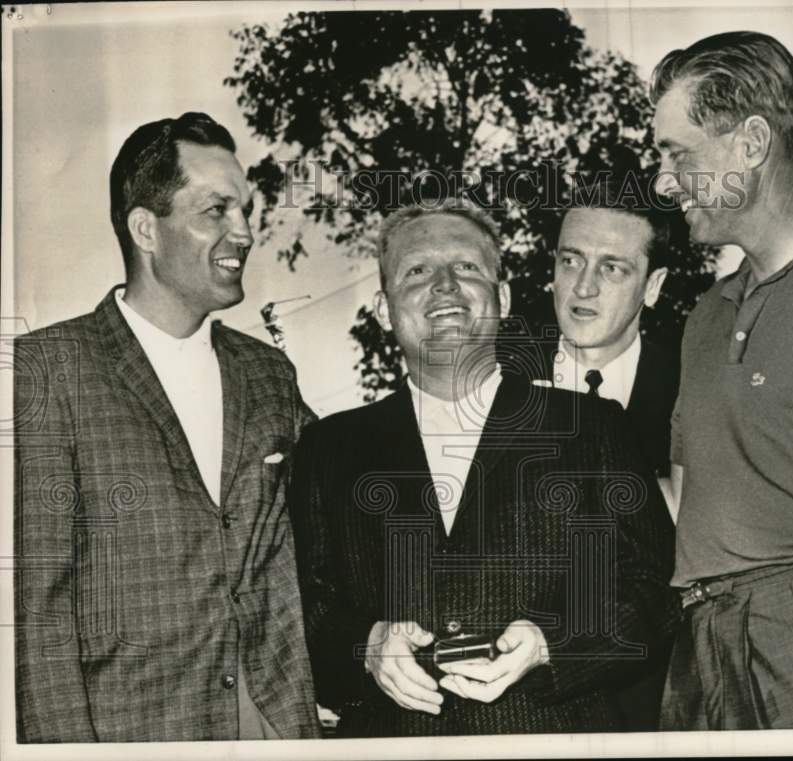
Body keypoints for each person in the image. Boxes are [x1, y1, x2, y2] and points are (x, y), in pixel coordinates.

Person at [287, 199, 679, 736]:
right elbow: (303, 609)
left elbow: (654, 591)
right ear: (384, 309)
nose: (445, 285)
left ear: (504, 297)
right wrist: (368, 647)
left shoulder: (592, 428)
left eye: (467, 267)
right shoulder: (327, 448)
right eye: (418, 270)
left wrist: (549, 643)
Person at [14, 112, 320, 741]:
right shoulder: (47, 370)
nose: (243, 233)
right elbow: (36, 613)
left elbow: (341, 503)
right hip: (134, 733)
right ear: (145, 229)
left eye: (246, 211)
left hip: (275, 724)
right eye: (216, 212)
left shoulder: (268, 375)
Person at [650, 31, 793, 729]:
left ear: (751, 143)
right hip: (700, 644)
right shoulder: (702, 318)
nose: (663, 181)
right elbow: (687, 499)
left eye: (677, 153)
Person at [523, 181, 681, 729]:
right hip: (522, 700)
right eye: (571, 260)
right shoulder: (494, 377)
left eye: (612, 268)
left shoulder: (694, 387)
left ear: (653, 285)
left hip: (656, 702)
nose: (583, 286)